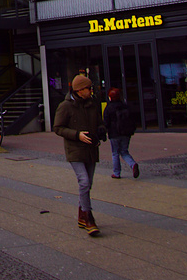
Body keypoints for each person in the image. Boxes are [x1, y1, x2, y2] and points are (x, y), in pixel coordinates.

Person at [53, 73, 106, 236]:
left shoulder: (92, 104)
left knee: (88, 184)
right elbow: (58, 128)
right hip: (75, 149)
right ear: (79, 90)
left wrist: (101, 131)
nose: (90, 90)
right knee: (83, 181)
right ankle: (89, 217)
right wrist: (77, 135)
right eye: (88, 88)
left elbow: (99, 122)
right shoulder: (66, 106)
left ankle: (82, 215)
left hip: (90, 148)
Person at [103, 87, 139, 179]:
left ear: (110, 97)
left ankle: (116, 173)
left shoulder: (109, 108)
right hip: (126, 132)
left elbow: (106, 122)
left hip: (114, 133)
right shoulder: (125, 106)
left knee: (115, 153)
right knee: (124, 151)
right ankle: (133, 164)